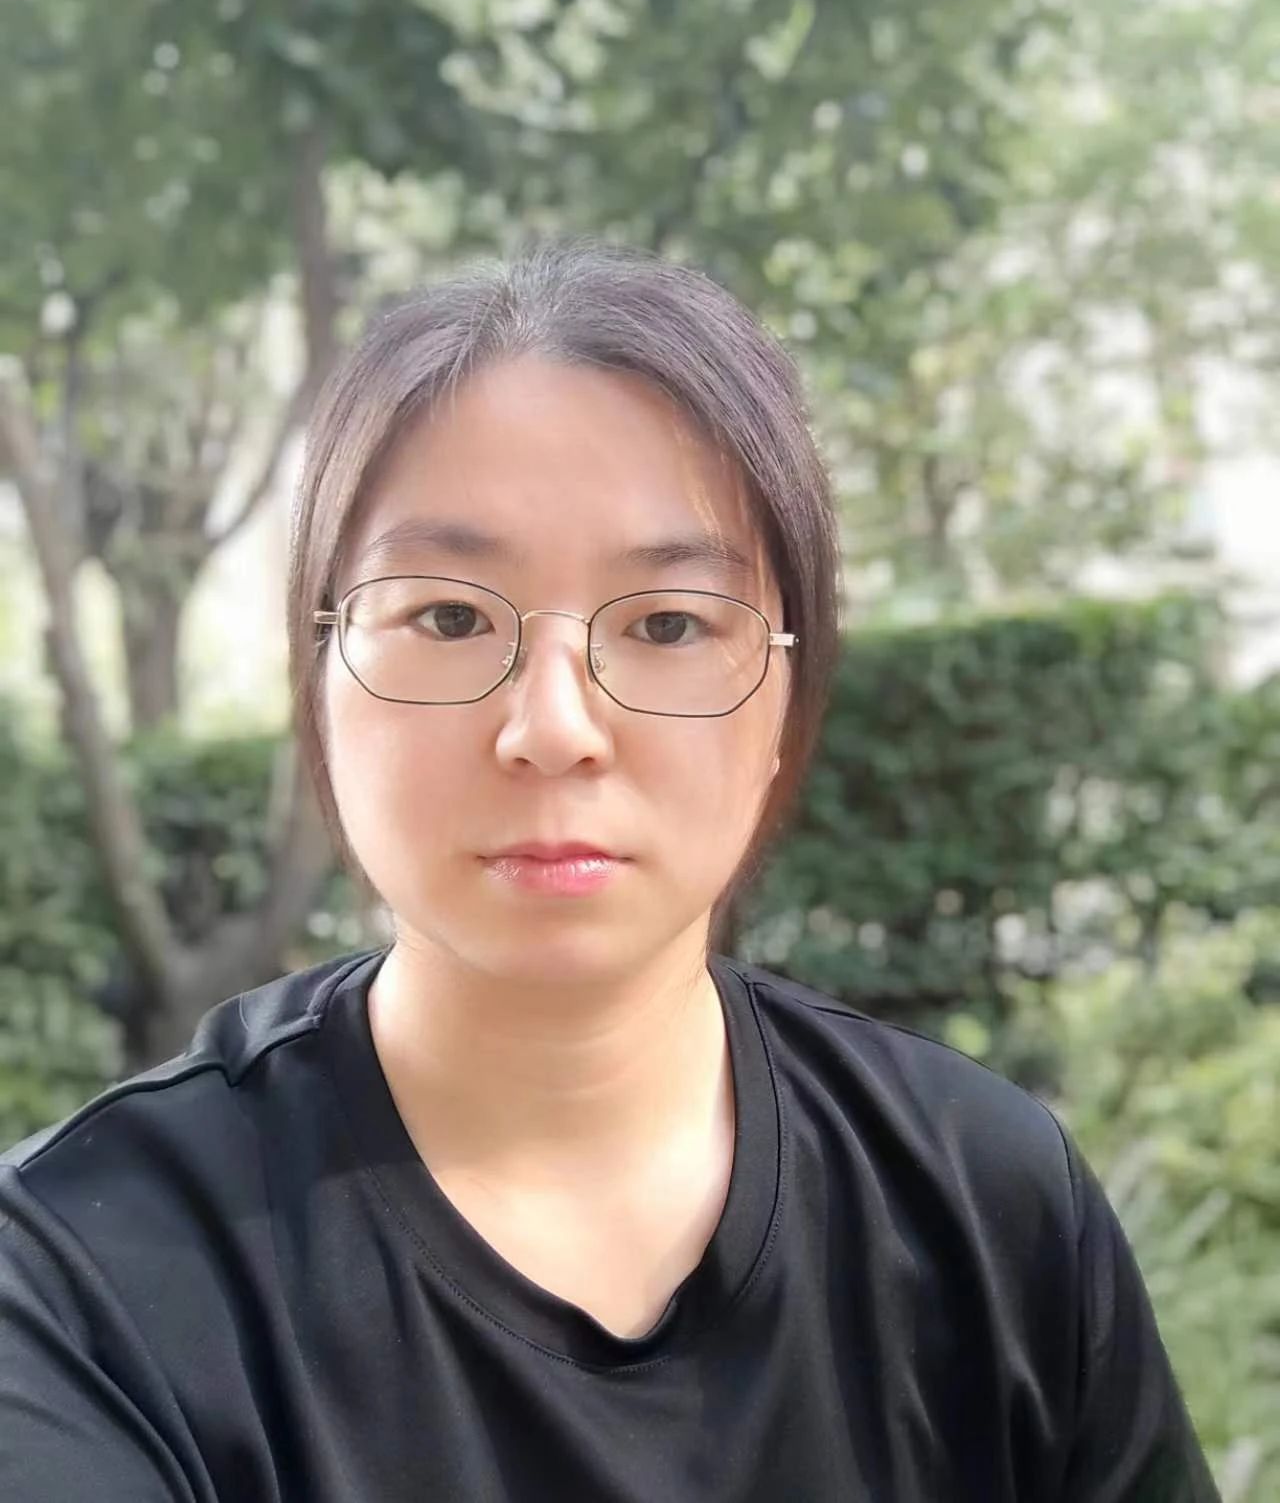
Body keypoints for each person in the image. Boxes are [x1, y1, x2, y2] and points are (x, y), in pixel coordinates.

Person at [0, 241, 1219, 1501]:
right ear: (318, 675)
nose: (553, 726)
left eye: (669, 624)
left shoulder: (986, 1205)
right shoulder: (86, 1279)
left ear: (785, 698)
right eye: (449, 616)